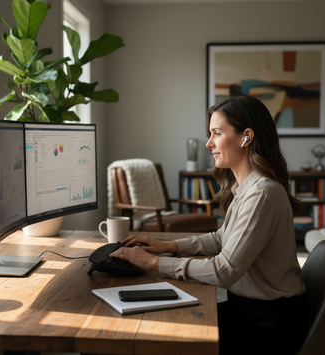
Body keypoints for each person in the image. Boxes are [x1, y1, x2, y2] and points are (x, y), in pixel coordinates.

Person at [110, 95, 309, 354]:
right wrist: (167, 246)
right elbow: (220, 239)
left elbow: (225, 270)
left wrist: (153, 263)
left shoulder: (262, 193)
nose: (208, 143)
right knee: (161, 322)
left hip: (268, 327)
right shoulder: (248, 188)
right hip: (249, 312)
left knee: (159, 335)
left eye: (216, 133)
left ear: (245, 137)